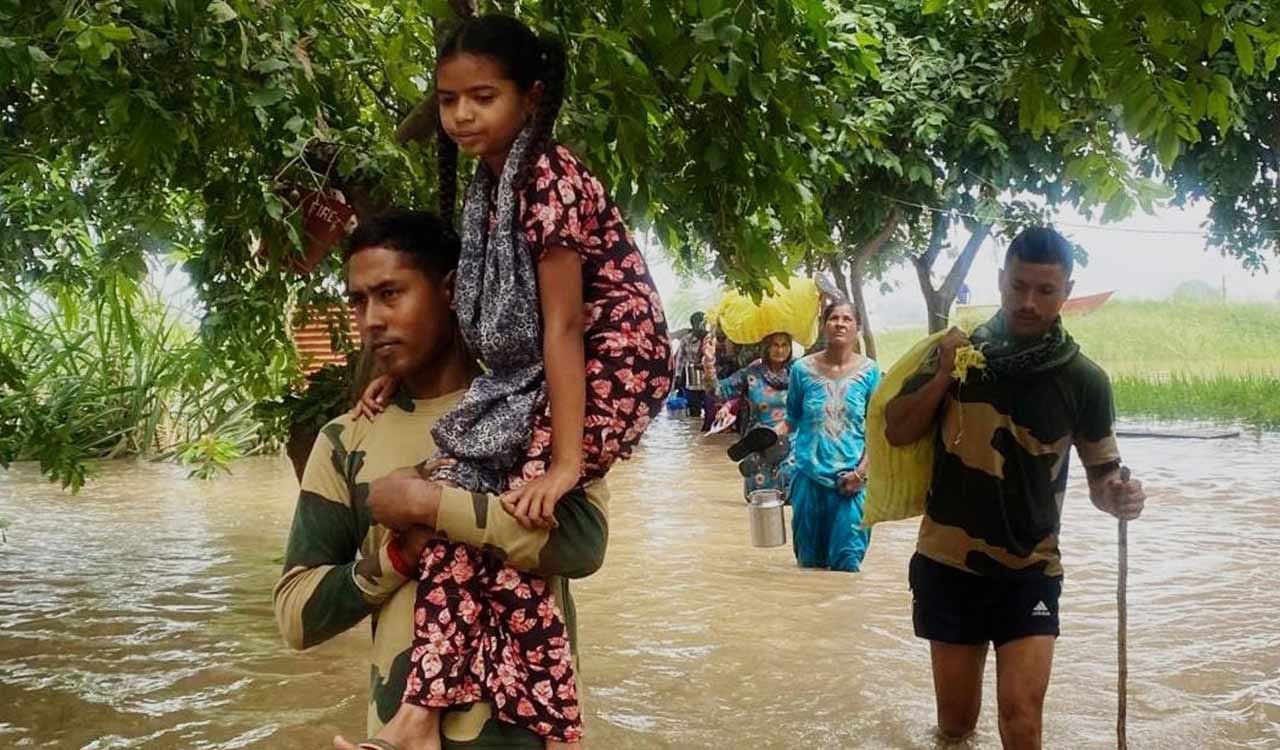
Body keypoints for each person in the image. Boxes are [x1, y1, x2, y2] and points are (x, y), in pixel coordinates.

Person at [346, 16, 671, 750]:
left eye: (481, 97)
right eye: (449, 100)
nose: (462, 116)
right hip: (541, 366)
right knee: (463, 492)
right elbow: (497, 312)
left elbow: (560, 326)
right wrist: (382, 377)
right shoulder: (492, 184)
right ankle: (437, 714)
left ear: (530, 97)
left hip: (614, 353)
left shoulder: (549, 178)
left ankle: (511, 721)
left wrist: (564, 463)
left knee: (510, 515)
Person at [273, 210, 611, 750]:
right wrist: (398, 557)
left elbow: (582, 544)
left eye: (390, 294)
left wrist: (431, 506)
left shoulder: (540, 413)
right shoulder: (346, 441)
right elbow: (296, 616)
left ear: (450, 290)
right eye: (358, 302)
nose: (370, 320)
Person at [883, 227, 1147, 750]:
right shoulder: (958, 356)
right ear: (1001, 281)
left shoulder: (1084, 380)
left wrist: (1119, 497)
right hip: (949, 565)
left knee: (1022, 722)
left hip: (1032, 569)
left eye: (1045, 291)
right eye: (1018, 286)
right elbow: (897, 429)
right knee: (956, 727)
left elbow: (1101, 477)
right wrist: (939, 377)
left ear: (1066, 291)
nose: (1028, 302)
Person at [785, 301, 881, 572]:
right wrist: (764, 444)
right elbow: (791, 421)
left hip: (852, 482)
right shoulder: (801, 370)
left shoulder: (871, 372)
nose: (840, 323)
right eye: (834, 318)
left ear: (857, 328)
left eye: (847, 319)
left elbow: (878, 429)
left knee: (848, 564)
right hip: (808, 478)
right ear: (823, 326)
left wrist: (861, 474)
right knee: (810, 567)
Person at [703, 332, 796, 500]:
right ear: (766, 348)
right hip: (759, 445)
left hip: (793, 443)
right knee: (762, 507)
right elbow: (718, 391)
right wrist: (709, 364)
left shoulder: (798, 373)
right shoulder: (752, 374)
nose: (780, 350)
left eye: (784, 345)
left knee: (795, 494)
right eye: (775, 345)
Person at [674, 312, 709, 419]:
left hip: (708, 378)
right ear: (692, 325)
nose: (700, 327)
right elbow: (680, 359)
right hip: (691, 379)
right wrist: (678, 376)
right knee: (694, 410)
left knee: (710, 408)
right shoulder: (686, 340)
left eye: (702, 324)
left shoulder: (710, 339)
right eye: (697, 323)